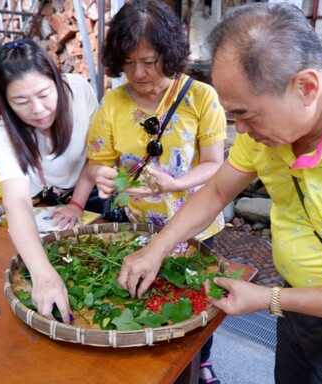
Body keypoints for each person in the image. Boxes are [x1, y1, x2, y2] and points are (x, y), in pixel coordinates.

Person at [117, 3, 322, 383]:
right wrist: (154, 249)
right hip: (295, 307)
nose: (242, 131)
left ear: (305, 87)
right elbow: (219, 189)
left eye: (246, 115)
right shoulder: (268, 127)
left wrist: (270, 299)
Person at [85, 0, 227, 382]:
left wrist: (176, 183)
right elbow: (105, 164)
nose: (138, 73)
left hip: (196, 226)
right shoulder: (113, 104)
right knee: (150, 297)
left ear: (169, 53)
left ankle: (204, 360)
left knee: (197, 302)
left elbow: (215, 164)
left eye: (148, 61)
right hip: (140, 227)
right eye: (128, 63)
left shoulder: (201, 97)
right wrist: (105, 179)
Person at [0, 38, 102, 324]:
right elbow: (17, 203)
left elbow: (97, 155)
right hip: (48, 200)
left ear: (56, 80)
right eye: (21, 101)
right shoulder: (3, 132)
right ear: (5, 102)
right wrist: (43, 274)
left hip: (90, 191)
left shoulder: (78, 89)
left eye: (44, 94)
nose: (38, 109)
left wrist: (77, 203)